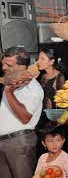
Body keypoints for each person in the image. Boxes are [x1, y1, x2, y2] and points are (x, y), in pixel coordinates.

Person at [0, 46, 44, 178]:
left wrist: (9, 92)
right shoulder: (9, 84)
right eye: (3, 64)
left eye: (9, 65)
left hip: (19, 143)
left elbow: (25, 118)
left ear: (23, 67)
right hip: (3, 143)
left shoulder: (33, 88)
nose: (4, 68)